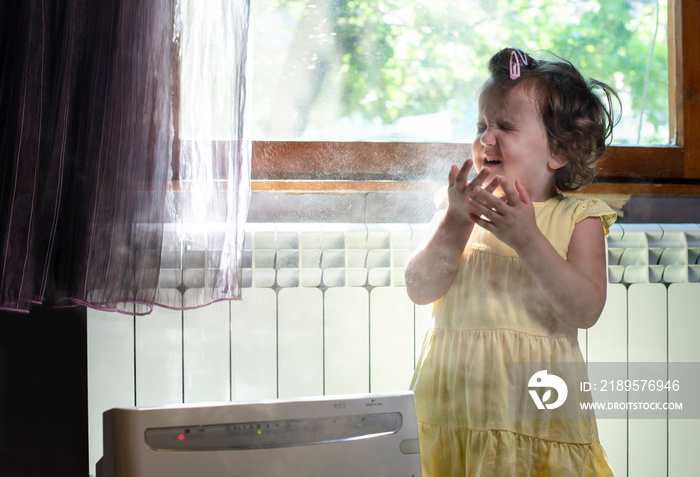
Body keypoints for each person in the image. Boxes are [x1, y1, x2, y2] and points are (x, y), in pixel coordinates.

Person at [405, 47, 620, 476]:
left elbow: (585, 310)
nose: (486, 139)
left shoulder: (579, 220)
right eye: (482, 125)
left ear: (559, 151)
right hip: (451, 410)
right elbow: (419, 287)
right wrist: (453, 222)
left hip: (537, 415)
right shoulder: (459, 209)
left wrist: (528, 239)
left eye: (505, 126)